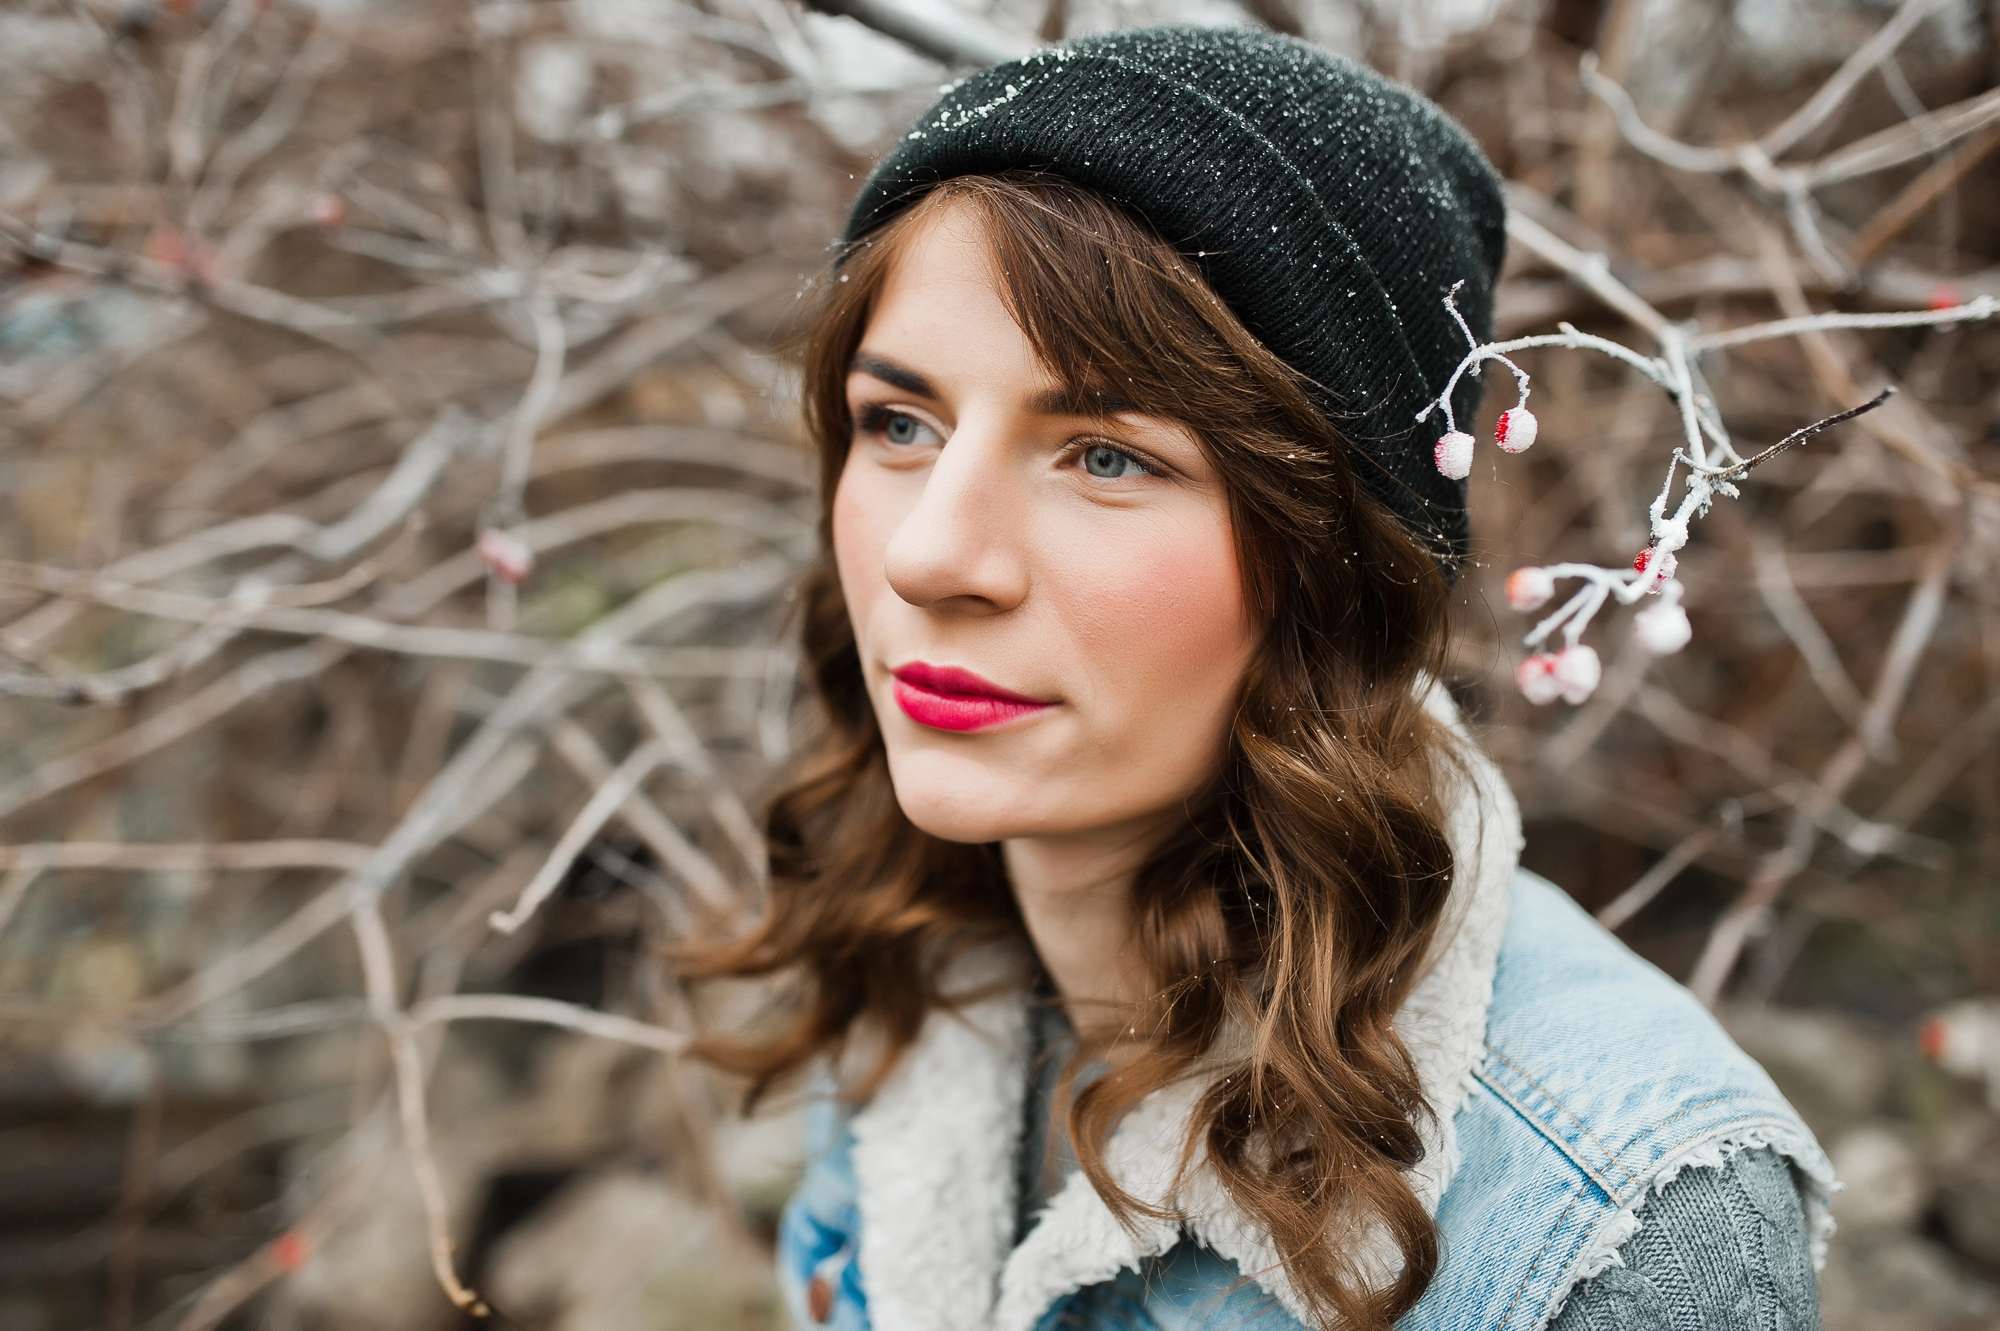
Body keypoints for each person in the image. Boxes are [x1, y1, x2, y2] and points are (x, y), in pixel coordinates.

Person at [691, 25, 1832, 1331]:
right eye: (900, 422)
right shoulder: (915, 968)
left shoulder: (1622, 1220)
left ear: (1326, 566)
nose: (933, 553)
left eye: (1107, 456)